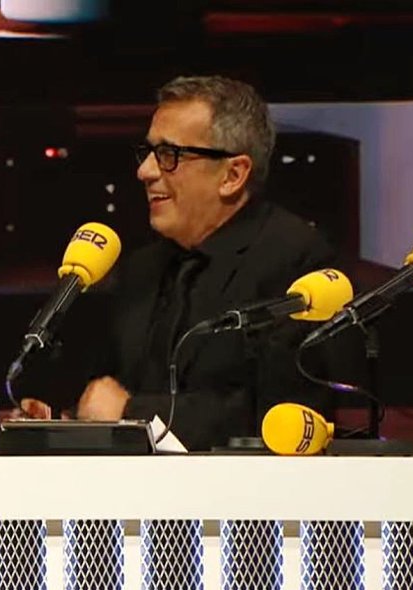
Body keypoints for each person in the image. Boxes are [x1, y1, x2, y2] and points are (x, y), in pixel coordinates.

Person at [21, 75, 335, 451]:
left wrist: (135, 413)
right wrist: (65, 420)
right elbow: (107, 396)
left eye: (170, 155)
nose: (146, 171)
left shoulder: (296, 261)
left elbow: (282, 415)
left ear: (232, 175)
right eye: (149, 152)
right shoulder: (142, 268)